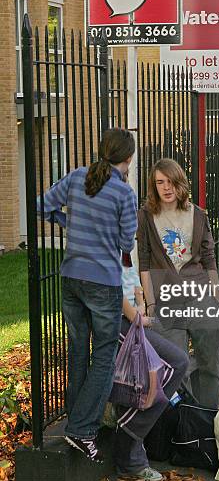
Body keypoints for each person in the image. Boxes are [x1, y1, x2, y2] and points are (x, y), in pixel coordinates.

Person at [38, 128, 137, 462]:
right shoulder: (124, 193)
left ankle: (73, 419)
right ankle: (82, 429)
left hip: (71, 277)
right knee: (105, 355)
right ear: (127, 159)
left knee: (79, 350)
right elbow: (126, 244)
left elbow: (42, 206)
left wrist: (70, 222)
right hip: (102, 282)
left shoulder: (77, 177)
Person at [137, 158, 219, 409]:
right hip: (166, 301)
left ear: (180, 184)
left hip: (201, 298)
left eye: (171, 182)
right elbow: (143, 261)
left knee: (211, 365)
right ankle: (185, 426)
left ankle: (208, 420)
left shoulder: (198, 215)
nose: (166, 188)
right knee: (176, 369)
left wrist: (216, 296)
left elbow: (209, 258)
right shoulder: (146, 216)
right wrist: (151, 302)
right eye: (160, 182)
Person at [113, 253, 189, 481]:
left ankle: (131, 435)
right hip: (118, 321)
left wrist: (141, 301)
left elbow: (129, 272)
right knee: (176, 363)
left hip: (134, 317)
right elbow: (110, 284)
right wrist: (134, 314)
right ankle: (129, 439)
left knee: (174, 364)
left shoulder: (122, 232)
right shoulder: (103, 230)